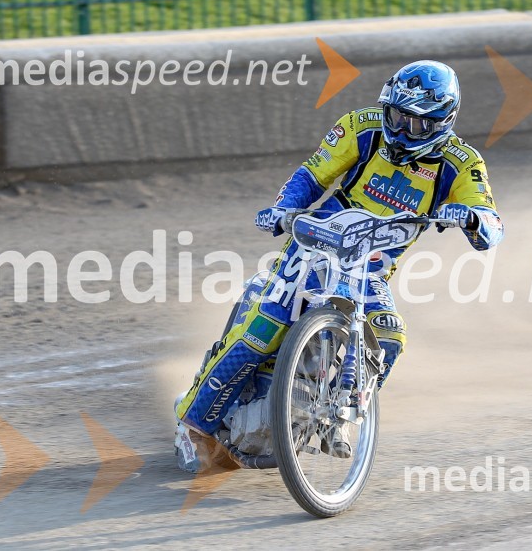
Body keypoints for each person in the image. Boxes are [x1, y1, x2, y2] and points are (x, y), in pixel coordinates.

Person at [174, 60, 504, 472]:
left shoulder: (462, 161)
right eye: (396, 115)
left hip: (368, 270)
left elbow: (489, 220)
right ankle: (194, 426)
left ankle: (338, 412)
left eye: (415, 124)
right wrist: (283, 210)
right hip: (313, 247)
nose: (400, 130)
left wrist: (474, 219)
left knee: (390, 338)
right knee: (262, 332)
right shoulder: (361, 126)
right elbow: (312, 174)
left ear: (443, 121)